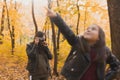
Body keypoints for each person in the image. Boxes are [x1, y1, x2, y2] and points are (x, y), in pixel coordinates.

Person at [46, 8, 120, 80]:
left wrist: (107, 78)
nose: (89, 30)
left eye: (93, 29)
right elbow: (66, 30)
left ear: (99, 37)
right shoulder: (78, 43)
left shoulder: (105, 51)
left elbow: (116, 66)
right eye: (87, 29)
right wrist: (55, 17)